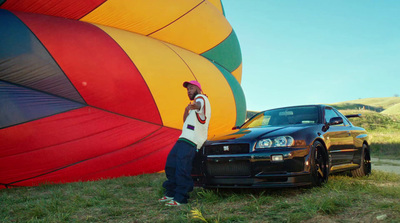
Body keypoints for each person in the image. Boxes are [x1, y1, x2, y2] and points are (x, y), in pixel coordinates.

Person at [159, 80, 211, 206]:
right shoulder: (193, 109)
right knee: (171, 165)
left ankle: (181, 197)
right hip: (183, 138)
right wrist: (186, 110)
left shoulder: (202, 98)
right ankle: (171, 192)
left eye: (191, 88)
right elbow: (185, 122)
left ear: (198, 89)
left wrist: (194, 106)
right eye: (188, 89)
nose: (189, 91)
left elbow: (199, 104)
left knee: (182, 167)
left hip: (192, 140)